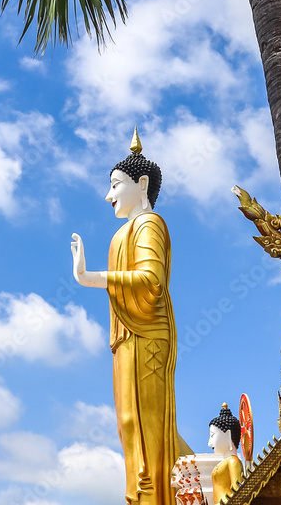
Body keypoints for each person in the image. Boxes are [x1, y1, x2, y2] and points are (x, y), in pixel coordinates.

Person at [71, 133, 189, 505]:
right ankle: (139, 496)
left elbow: (151, 281)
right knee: (127, 423)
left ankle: (159, 496)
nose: (109, 196)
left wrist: (92, 278)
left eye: (115, 185)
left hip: (148, 334)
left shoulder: (149, 224)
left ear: (141, 184)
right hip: (124, 337)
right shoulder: (121, 234)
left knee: (147, 424)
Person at [208, 404, 243, 504]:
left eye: (212, 436)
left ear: (228, 434)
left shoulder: (233, 461)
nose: (209, 443)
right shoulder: (225, 462)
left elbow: (238, 493)